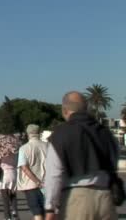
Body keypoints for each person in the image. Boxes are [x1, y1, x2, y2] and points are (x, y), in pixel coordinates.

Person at [44, 91, 119, 220]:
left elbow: (54, 174)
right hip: (106, 199)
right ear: (86, 109)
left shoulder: (61, 134)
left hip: (78, 199)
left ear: (65, 110)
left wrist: (50, 207)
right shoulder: (105, 132)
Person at [17, 124, 48, 220]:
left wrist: (37, 181)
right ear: (39, 133)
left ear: (28, 134)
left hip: (31, 184)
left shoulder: (24, 148)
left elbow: (24, 168)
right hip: (47, 183)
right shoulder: (48, 146)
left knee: (37, 212)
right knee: (46, 212)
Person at [0, 150, 19, 220]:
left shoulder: (2, 153)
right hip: (13, 174)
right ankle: (14, 210)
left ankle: (8, 217)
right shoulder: (15, 154)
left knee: (5, 198)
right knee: (13, 194)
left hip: (5, 175)